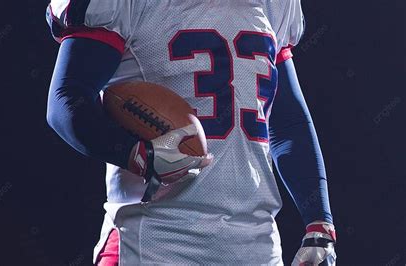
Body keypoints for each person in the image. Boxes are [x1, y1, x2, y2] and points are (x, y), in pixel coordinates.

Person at [45, 1, 336, 265]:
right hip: (152, 243)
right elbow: (67, 99)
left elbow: (288, 124)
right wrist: (138, 155)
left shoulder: (275, 6)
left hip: (254, 247)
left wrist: (319, 223)